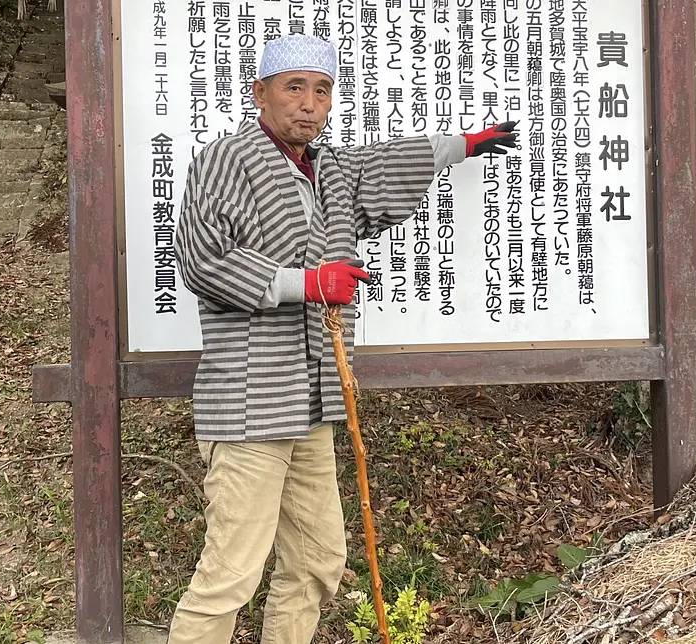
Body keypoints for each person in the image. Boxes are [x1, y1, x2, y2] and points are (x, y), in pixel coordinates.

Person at [169, 33, 517, 644]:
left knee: (317, 562)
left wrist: (464, 145)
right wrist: (307, 282)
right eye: (294, 87)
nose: (309, 103)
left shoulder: (334, 171)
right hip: (250, 405)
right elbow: (204, 261)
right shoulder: (222, 161)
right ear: (261, 94)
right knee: (229, 574)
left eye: (322, 90)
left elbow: (393, 160)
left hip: (313, 405)